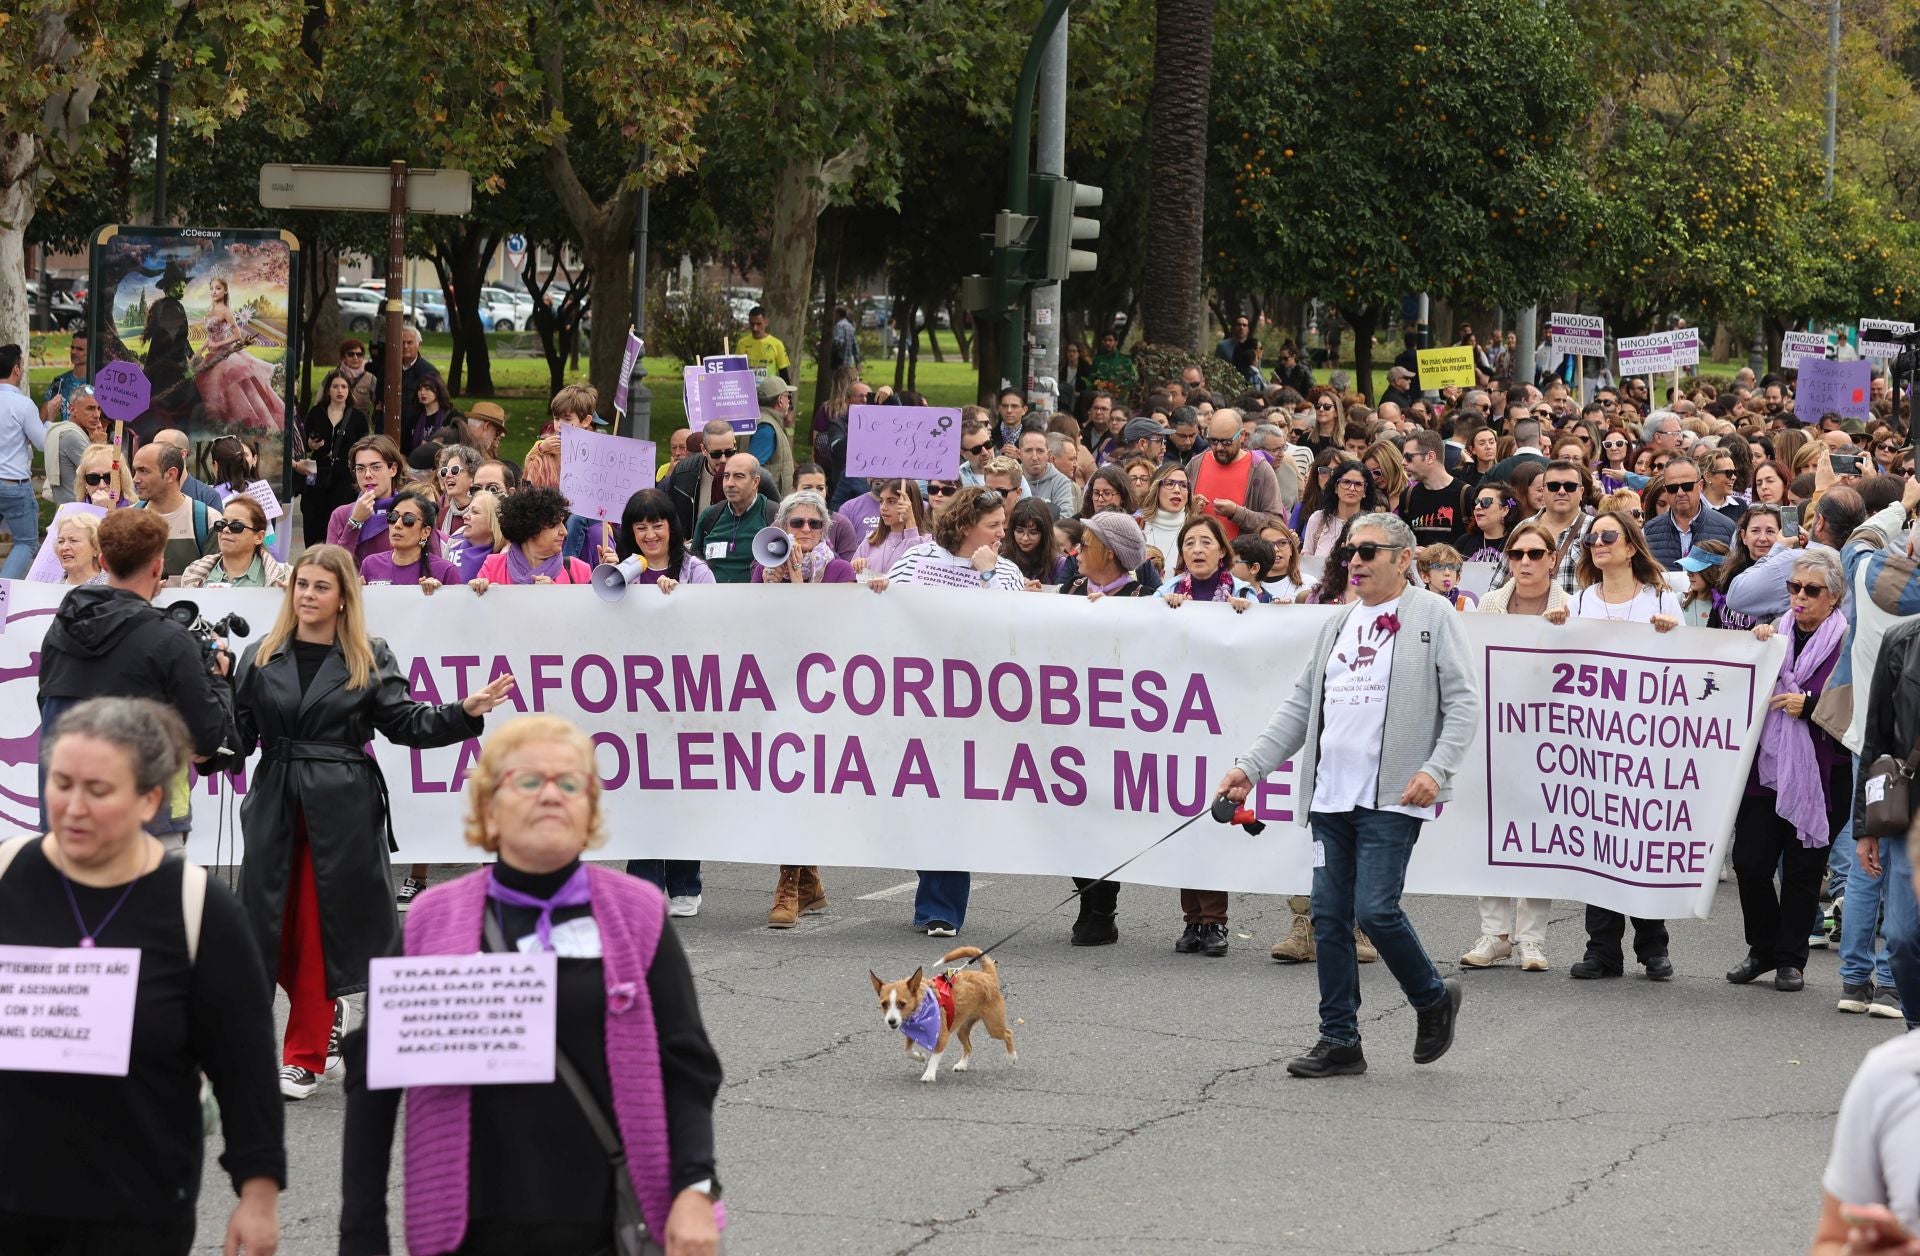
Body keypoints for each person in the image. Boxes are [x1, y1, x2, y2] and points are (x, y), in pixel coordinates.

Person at [338, 715, 724, 1256]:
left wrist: (694, 1191)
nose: (551, 794)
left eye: (570, 783)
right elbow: (373, 1084)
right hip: (469, 1234)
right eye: (528, 781)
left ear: (589, 808)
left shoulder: (637, 916)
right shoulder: (433, 921)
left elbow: (687, 1069)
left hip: (612, 1228)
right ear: (489, 807)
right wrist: (361, 1235)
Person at [0, 698, 285, 1256]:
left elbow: (245, 1067)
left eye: (99, 791)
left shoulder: (198, 907)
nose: (73, 807)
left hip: (136, 1211)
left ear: (150, 799)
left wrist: (258, 1197)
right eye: (61, 783)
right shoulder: (8, 876)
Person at [232, 545, 515, 1099]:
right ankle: (325, 1018)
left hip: (341, 808)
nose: (307, 595)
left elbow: (406, 722)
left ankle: (305, 1054)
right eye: (302, 585)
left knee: (318, 928)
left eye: (320, 587)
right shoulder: (259, 655)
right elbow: (236, 738)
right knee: (269, 929)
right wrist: (200, 732)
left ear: (343, 598)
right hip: (274, 803)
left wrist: (465, 710)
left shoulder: (367, 654)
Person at [1219, 512, 1478, 1078]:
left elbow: (1463, 703)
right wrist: (1251, 768)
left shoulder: (1432, 616)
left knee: (1375, 911)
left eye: (1367, 551)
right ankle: (1339, 1039)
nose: (1354, 561)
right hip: (1330, 797)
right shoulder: (1337, 624)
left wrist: (1436, 769)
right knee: (1329, 918)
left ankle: (1432, 997)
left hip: (1393, 797)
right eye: (1349, 552)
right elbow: (1299, 706)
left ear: (1403, 559)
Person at [872, 487, 1024, 935]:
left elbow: (1010, 627)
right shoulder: (916, 562)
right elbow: (882, 617)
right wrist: (877, 592)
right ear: (963, 526)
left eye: (1003, 525)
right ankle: (932, 889)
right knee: (919, 802)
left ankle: (941, 907)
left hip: (973, 708)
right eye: (992, 526)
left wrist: (986, 576)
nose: (1001, 534)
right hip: (917, 705)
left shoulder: (1006, 571)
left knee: (953, 803)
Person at [36, 509, 237, 849]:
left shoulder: (60, 631)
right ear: (158, 567)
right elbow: (208, 741)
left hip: (65, 826)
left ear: (101, 560)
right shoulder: (170, 640)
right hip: (145, 829)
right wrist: (219, 677)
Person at [1729, 550, 1850, 993]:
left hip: (1822, 772)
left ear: (1833, 597)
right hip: (1768, 766)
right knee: (1750, 862)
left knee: (1802, 870)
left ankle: (1790, 959)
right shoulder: (1773, 634)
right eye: (1793, 588)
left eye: (1811, 590)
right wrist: (1758, 647)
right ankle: (1761, 949)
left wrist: (1811, 707)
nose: (1799, 597)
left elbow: (1858, 705)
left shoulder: (1847, 642)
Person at [1569, 510, 1683, 981]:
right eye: (1592, 537)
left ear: (1631, 545)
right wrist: (1553, 628)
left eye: (1608, 535)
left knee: (1640, 841)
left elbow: (1684, 666)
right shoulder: (1576, 603)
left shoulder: (1661, 598)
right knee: (1598, 845)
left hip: (1644, 742)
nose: (1598, 542)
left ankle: (1652, 946)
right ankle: (1602, 950)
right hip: (1592, 741)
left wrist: (1672, 637)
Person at [1461, 521, 1570, 971]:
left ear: (1552, 559)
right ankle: (1494, 934)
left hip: (1552, 737)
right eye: (1517, 554)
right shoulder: (1489, 605)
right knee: (1492, 832)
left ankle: (1531, 940)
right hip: (1496, 733)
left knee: (1540, 835)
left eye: (1535, 554)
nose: (1525, 562)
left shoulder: (1572, 607)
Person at [1812, 874, 1920, 1252]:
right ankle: (1872, 982)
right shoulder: (1892, 1076)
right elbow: (1833, 1239)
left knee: (1864, 881)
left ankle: (1864, 980)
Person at [1189, 410, 1288, 542]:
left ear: (1242, 435)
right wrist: (1190, 508)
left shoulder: (1260, 469)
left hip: (1241, 560)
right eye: (1213, 441)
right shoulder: (1196, 464)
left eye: (1226, 442)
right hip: (1199, 557)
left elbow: (1275, 523)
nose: (1219, 447)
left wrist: (1237, 513)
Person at [297, 369, 371, 546]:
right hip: (317, 472)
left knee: (339, 516)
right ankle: (314, 554)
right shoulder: (316, 412)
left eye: (344, 387)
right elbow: (303, 442)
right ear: (328, 390)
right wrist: (311, 445)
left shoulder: (357, 417)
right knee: (313, 517)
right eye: (335, 386)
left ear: (349, 391)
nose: (340, 391)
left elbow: (365, 446)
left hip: (344, 476)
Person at [472, 485, 595, 589]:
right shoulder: (493, 566)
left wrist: (557, 595)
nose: (564, 532)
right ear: (530, 528)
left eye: (562, 523)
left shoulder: (578, 570)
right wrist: (479, 591)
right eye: (555, 525)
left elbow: (589, 615)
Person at [691, 453, 779, 584]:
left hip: (757, 600)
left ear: (755, 482)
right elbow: (692, 565)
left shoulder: (775, 516)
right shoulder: (709, 516)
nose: (730, 483)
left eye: (739, 476)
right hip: (712, 601)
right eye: (726, 476)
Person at [614, 487, 716, 595]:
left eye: (658, 526)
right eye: (641, 528)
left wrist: (679, 594)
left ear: (671, 527)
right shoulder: (622, 570)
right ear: (631, 531)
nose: (650, 535)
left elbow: (711, 608)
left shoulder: (697, 571)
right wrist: (611, 575)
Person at [1642, 454, 1737, 567]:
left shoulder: (1727, 528)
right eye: (1672, 488)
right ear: (1666, 490)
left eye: (1687, 486)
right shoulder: (1648, 532)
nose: (1680, 493)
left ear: (1700, 485)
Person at [326, 435, 408, 566]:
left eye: (376, 467)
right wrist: (354, 522)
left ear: (393, 469)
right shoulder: (341, 514)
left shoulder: (410, 512)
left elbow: (429, 562)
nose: (367, 474)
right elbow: (331, 568)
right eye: (360, 468)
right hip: (354, 586)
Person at [180, 495, 291, 588]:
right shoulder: (192, 573)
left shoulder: (285, 577)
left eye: (236, 526)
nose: (225, 530)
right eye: (221, 524)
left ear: (259, 537)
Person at [359, 490, 461, 590]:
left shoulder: (445, 571)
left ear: (425, 532)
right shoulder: (370, 564)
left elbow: (458, 606)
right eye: (393, 517)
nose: (397, 525)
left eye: (408, 519)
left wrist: (439, 595)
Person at [751, 489, 853, 585]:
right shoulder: (767, 567)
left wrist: (797, 577)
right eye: (797, 522)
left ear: (822, 530)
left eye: (814, 523)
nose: (806, 529)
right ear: (784, 526)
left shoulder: (842, 570)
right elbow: (753, 602)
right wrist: (768, 587)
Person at [1159, 515, 1257, 612]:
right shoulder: (1167, 591)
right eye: (1189, 543)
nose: (1197, 550)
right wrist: (1164, 607)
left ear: (1222, 551)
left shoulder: (1243, 593)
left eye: (1206, 542)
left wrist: (1245, 613)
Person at [524, 382, 598, 491]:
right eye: (556, 418)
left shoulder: (594, 448)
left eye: (567, 420)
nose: (559, 425)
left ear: (585, 421)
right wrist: (541, 449)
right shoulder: (547, 445)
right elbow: (527, 466)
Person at [850, 478, 927, 579]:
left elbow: (914, 569)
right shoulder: (871, 539)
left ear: (910, 504)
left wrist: (910, 522)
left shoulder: (927, 541)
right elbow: (850, 578)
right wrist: (856, 565)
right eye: (882, 501)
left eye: (891, 501)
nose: (883, 507)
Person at [1301, 458, 1378, 556]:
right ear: (1336, 487)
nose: (1351, 488)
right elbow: (1307, 560)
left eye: (1358, 484)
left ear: (1365, 491)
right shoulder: (1318, 519)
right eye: (1346, 482)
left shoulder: (1373, 525)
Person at [42, 382, 102, 506]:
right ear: (72, 409)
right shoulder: (72, 436)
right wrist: (100, 444)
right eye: (90, 408)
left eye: (99, 408)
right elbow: (103, 471)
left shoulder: (70, 431)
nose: (97, 415)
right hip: (78, 513)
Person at [1399, 429, 1459, 547]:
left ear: (1430, 457)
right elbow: (1403, 541)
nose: (1403, 462)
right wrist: (1411, 550)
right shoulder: (1407, 496)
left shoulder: (1465, 495)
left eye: (1409, 457)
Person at [749, 375, 798, 496]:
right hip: (769, 505)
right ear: (780, 400)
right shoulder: (767, 427)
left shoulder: (766, 421)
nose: (789, 401)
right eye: (788, 396)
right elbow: (753, 468)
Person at [1003, 496, 1062, 589]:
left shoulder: (1058, 564)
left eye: (1033, 532)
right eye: (1019, 531)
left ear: (1044, 533)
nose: (1025, 538)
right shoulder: (1003, 560)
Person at [1018, 427, 1078, 519]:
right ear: (1019, 454)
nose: (1034, 457)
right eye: (1028, 450)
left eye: (1040, 451)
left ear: (1048, 454)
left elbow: (1064, 520)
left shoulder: (1061, 482)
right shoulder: (1011, 478)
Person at [1141, 463, 1195, 561]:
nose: (1177, 490)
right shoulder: (1138, 525)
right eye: (1169, 483)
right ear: (1156, 488)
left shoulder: (1196, 530)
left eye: (1183, 485)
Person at [40, 509, 106, 586]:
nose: (64, 547)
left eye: (73, 540)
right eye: (61, 541)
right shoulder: (49, 590)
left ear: (95, 548)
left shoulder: (114, 588)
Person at [434, 442, 484, 539]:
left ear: (473, 477)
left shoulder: (483, 513)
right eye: (444, 471)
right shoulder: (441, 515)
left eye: (454, 470)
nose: (448, 476)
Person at [739, 305, 792, 384]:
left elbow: (783, 373)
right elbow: (737, 371)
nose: (755, 328)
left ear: (766, 322)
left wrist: (788, 394)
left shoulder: (777, 344)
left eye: (758, 324)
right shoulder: (742, 343)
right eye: (752, 324)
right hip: (748, 391)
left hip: (769, 392)